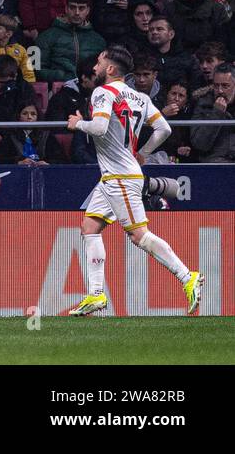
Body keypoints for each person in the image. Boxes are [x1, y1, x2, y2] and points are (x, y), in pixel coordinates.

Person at [67, 46, 205, 317]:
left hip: (120, 177)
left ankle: (187, 275)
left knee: (138, 236)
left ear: (109, 69)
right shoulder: (140, 97)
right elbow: (164, 128)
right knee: (89, 226)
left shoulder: (102, 92)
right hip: (114, 175)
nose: (94, 68)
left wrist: (78, 124)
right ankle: (95, 294)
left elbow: (99, 127)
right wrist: (142, 154)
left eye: (98, 62)